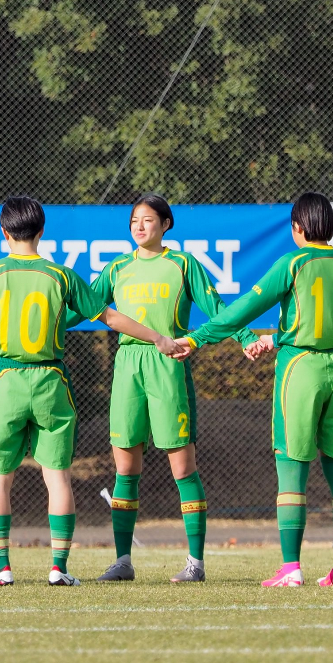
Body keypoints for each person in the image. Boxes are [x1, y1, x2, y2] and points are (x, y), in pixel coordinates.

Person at [0, 195, 184, 588]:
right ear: (42, 230)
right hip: (52, 381)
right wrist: (157, 336)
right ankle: (59, 568)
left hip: (6, 382)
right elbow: (110, 316)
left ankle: (1, 568)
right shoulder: (61, 275)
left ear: (3, 232)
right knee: (58, 478)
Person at [177, 192, 333, 588]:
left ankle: (291, 567)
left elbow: (243, 310)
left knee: (292, 470)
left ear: (298, 228)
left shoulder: (292, 263)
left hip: (300, 369)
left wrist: (198, 338)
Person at [81, 194, 242, 584]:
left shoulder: (183, 263)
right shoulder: (117, 267)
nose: (139, 226)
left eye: (148, 220)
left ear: (166, 224)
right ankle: (122, 560)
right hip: (128, 365)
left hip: (168, 365)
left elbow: (218, 307)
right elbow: (83, 305)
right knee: (125, 466)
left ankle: (196, 564)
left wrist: (246, 335)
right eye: (134, 220)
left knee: (183, 466)